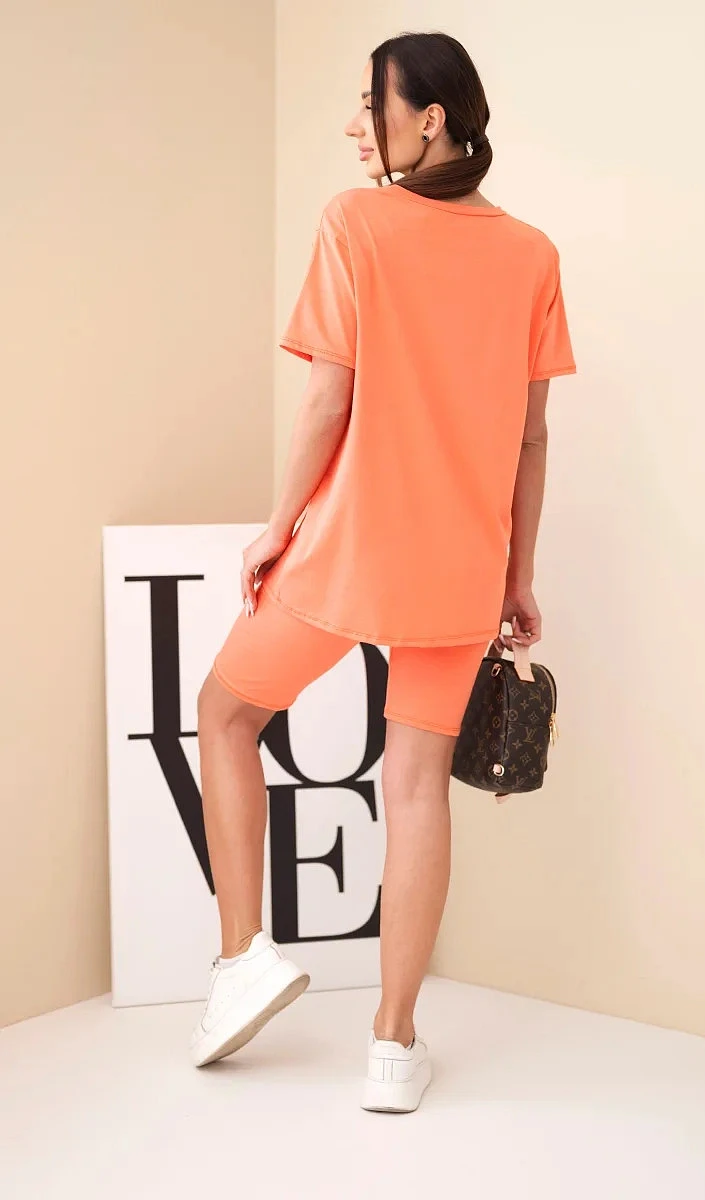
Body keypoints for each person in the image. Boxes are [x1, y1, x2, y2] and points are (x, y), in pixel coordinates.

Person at [191, 30, 575, 1113]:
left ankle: (242, 958)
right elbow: (530, 437)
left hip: (351, 547)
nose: (357, 125)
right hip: (461, 566)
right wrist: (517, 574)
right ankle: (394, 1047)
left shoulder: (355, 222)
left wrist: (277, 525)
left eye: (372, 103)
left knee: (225, 714)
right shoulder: (532, 253)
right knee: (414, 789)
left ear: (429, 119)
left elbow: (328, 397)